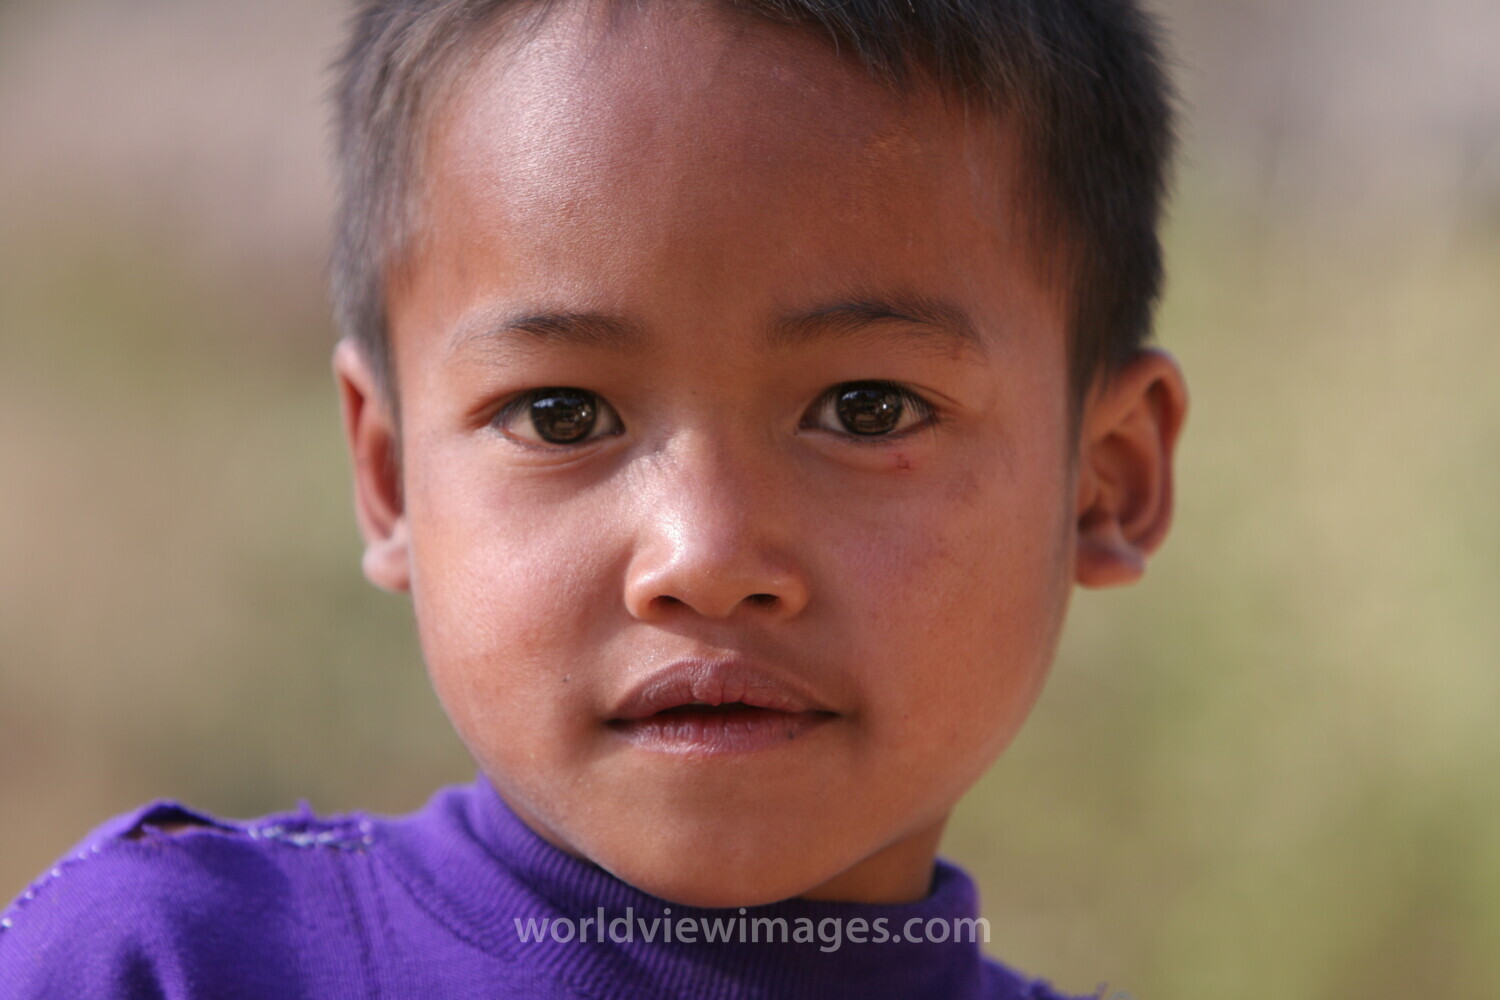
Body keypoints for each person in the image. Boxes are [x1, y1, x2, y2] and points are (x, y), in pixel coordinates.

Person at [0, 1, 1187, 997]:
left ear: (1108, 479)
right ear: (387, 473)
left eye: (869, 409)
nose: (706, 553)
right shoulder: (166, 965)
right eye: (562, 415)